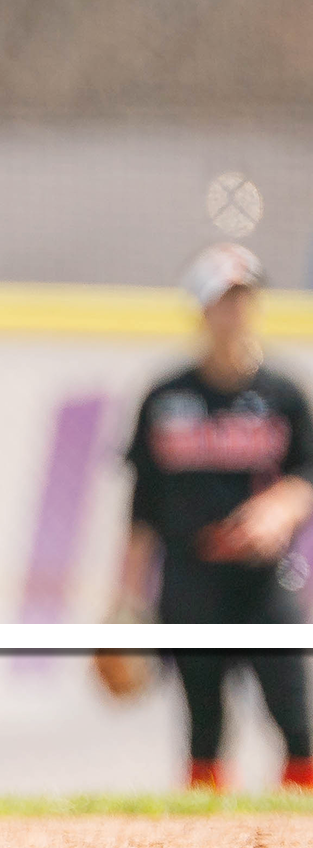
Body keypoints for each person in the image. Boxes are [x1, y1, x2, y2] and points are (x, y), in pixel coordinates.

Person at [117, 242, 313, 791]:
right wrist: (124, 599)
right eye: (223, 301)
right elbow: (142, 505)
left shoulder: (283, 395)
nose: (234, 312)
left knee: (296, 719)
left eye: (243, 299)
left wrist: (281, 505)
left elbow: (307, 471)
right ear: (201, 309)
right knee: (204, 724)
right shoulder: (166, 396)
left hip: (262, 579)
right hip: (190, 578)